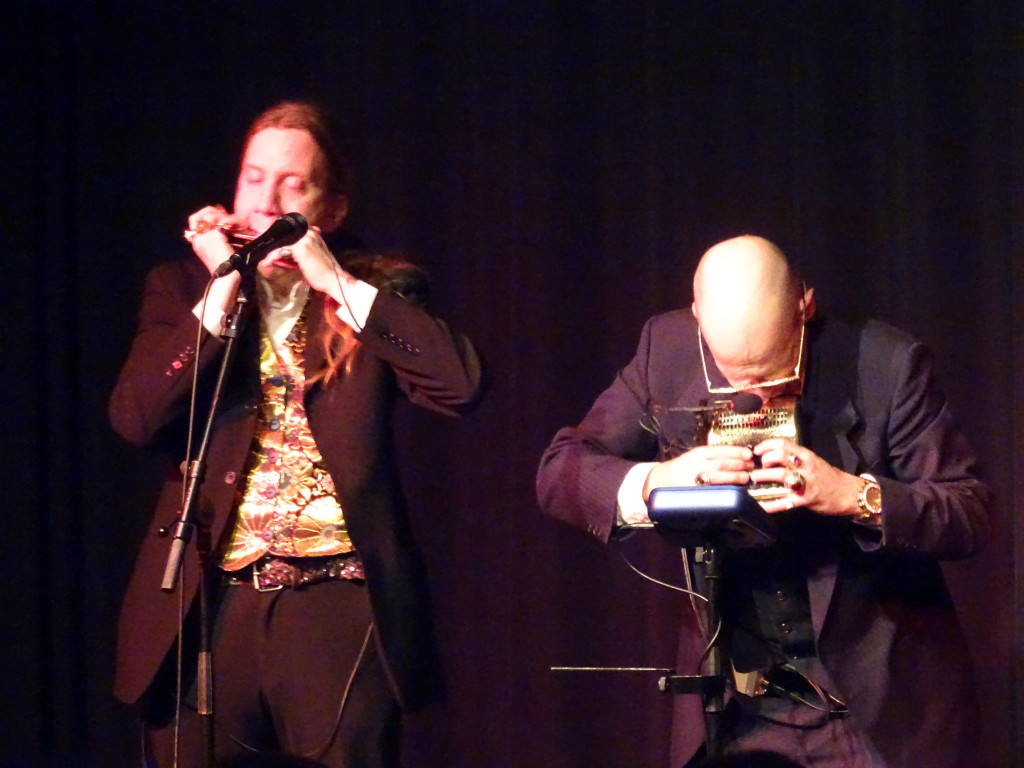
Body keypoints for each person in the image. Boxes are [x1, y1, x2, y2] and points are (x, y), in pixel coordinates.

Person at [110, 101, 486, 767]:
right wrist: (222, 285)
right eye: (254, 179)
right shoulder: (180, 287)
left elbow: (460, 386)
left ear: (331, 210)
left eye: (293, 184)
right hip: (210, 599)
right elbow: (137, 418)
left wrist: (335, 279)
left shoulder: (375, 289)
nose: (266, 202)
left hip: (337, 601)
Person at [536, 235, 990, 767]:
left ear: (805, 309)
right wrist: (659, 480)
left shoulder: (886, 365)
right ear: (698, 318)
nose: (752, 396)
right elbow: (560, 471)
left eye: (773, 375)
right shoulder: (666, 350)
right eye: (733, 375)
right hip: (739, 708)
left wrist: (853, 495)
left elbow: (970, 511)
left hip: (873, 709)